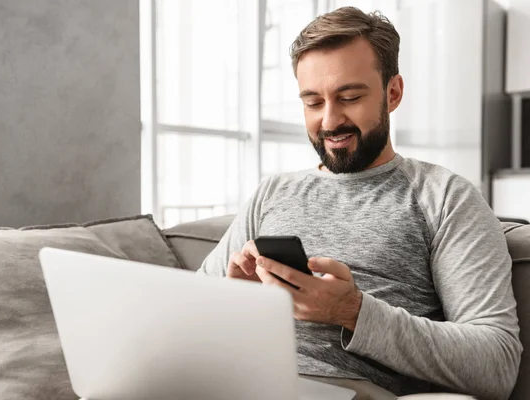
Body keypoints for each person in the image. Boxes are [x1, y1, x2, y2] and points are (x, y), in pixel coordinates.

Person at [197, 6, 522, 400]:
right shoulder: (273, 193)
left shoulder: (445, 197)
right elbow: (189, 316)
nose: (330, 121)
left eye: (349, 97)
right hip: (234, 381)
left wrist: (352, 311)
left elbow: (497, 364)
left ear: (393, 92)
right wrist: (237, 304)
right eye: (313, 103)